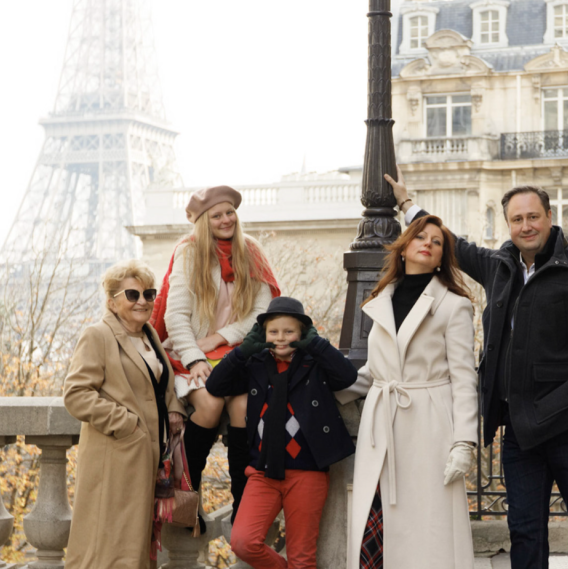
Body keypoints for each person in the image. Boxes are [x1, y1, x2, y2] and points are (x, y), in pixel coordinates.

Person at [384, 169, 568, 569]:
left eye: (533, 216)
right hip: (518, 428)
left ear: (550, 217)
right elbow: (452, 244)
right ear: (508, 225)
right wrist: (407, 204)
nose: (526, 225)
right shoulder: (499, 266)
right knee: (524, 530)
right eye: (517, 219)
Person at [337, 214, 479, 569]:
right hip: (381, 422)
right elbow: (376, 371)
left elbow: (464, 377)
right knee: (377, 510)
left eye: (437, 242)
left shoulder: (453, 304)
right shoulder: (381, 298)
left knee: (428, 524)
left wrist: (464, 442)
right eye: (421, 237)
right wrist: (328, 391)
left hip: (429, 424)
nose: (428, 244)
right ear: (404, 248)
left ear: (442, 256)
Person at [205, 297, 358, 569]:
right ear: (263, 334)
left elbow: (347, 376)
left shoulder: (315, 362)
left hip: (308, 472)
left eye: (289, 331)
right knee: (243, 541)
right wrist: (241, 352)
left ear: (302, 333)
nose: (281, 338)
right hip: (263, 472)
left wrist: (317, 344)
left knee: (302, 557)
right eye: (273, 332)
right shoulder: (255, 363)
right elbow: (216, 386)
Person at [160, 185, 280, 524]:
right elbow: (175, 316)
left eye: (230, 212)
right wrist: (196, 355)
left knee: (243, 405)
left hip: (239, 353)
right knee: (210, 404)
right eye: (217, 215)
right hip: (191, 353)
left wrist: (221, 336)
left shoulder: (251, 250)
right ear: (203, 221)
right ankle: (186, 497)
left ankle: (243, 505)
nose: (226, 219)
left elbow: (262, 314)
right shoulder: (188, 252)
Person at [64, 259, 186, 569]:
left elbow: (161, 382)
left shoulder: (149, 335)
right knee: (106, 547)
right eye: (132, 295)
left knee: (136, 547)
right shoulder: (98, 335)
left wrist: (173, 407)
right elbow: (76, 395)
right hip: (115, 458)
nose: (142, 301)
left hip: (149, 458)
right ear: (112, 300)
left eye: (148, 294)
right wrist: (127, 425)